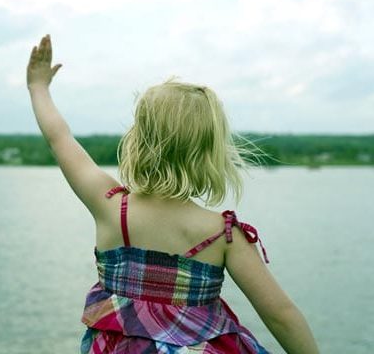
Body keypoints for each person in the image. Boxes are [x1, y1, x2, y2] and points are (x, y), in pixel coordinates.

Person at [26, 34, 319, 354]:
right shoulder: (222, 234)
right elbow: (280, 315)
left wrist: (38, 88)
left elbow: (60, 138)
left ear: (138, 141)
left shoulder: (110, 206)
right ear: (211, 151)